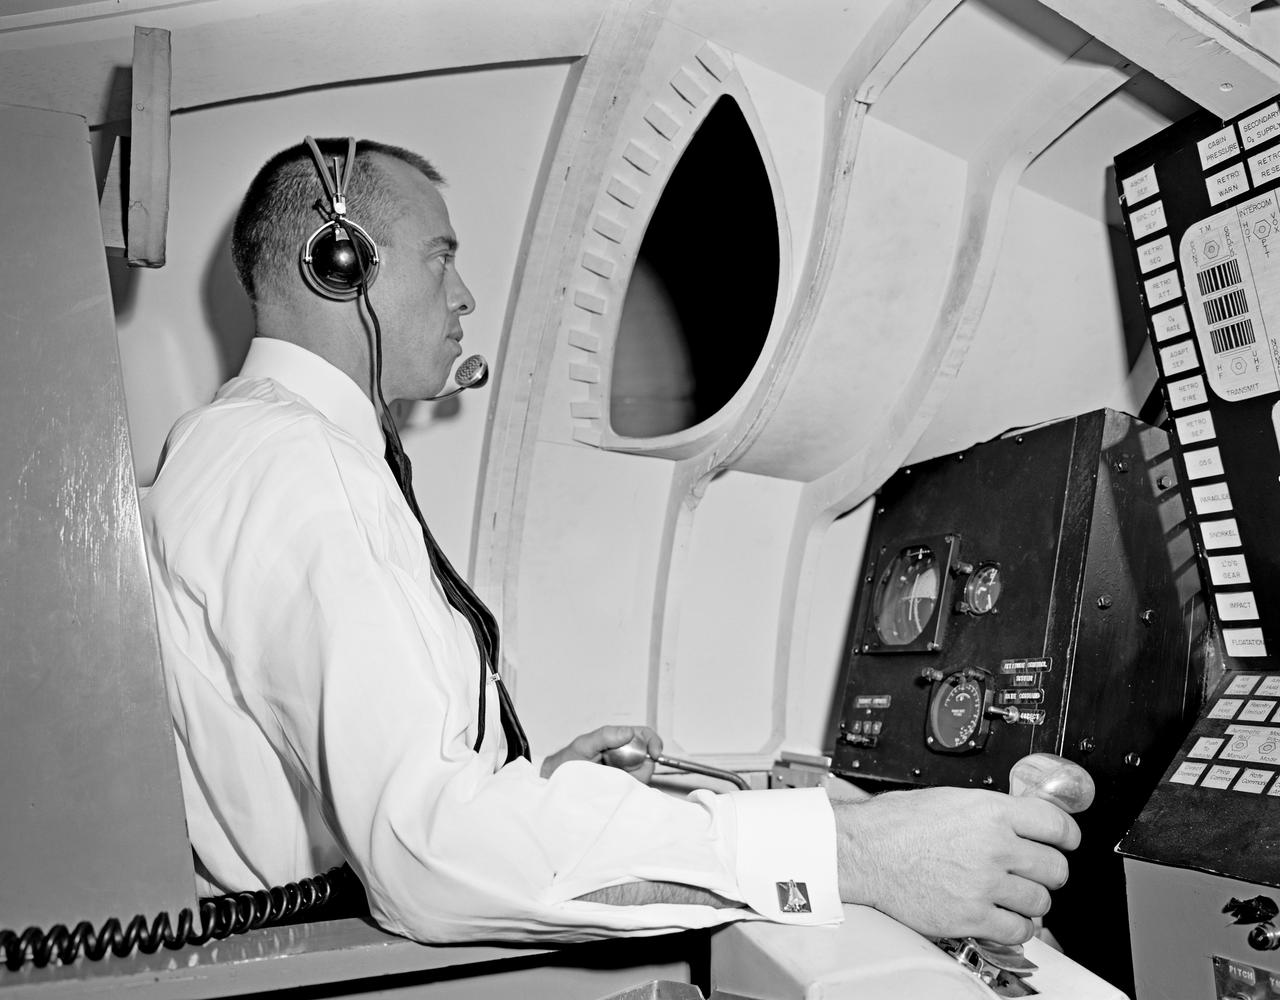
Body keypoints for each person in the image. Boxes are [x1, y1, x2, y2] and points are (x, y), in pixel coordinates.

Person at [140, 137, 1079, 948]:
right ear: (339, 262)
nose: (465, 295)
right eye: (440, 257)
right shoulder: (300, 468)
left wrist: (544, 790)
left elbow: (389, 800)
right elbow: (427, 855)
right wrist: (855, 853)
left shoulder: (253, 448)